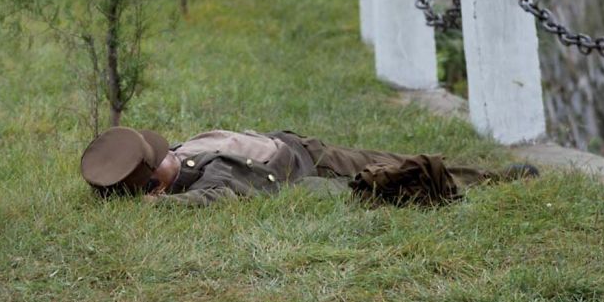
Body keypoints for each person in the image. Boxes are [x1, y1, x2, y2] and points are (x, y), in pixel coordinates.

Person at [80, 127, 538, 206]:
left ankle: (491, 174)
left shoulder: (182, 155)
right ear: (154, 187)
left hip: (302, 145)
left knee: (389, 156)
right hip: (309, 169)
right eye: (161, 160)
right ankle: (492, 183)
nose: (171, 154)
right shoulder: (207, 181)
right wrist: (156, 207)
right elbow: (214, 197)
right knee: (407, 173)